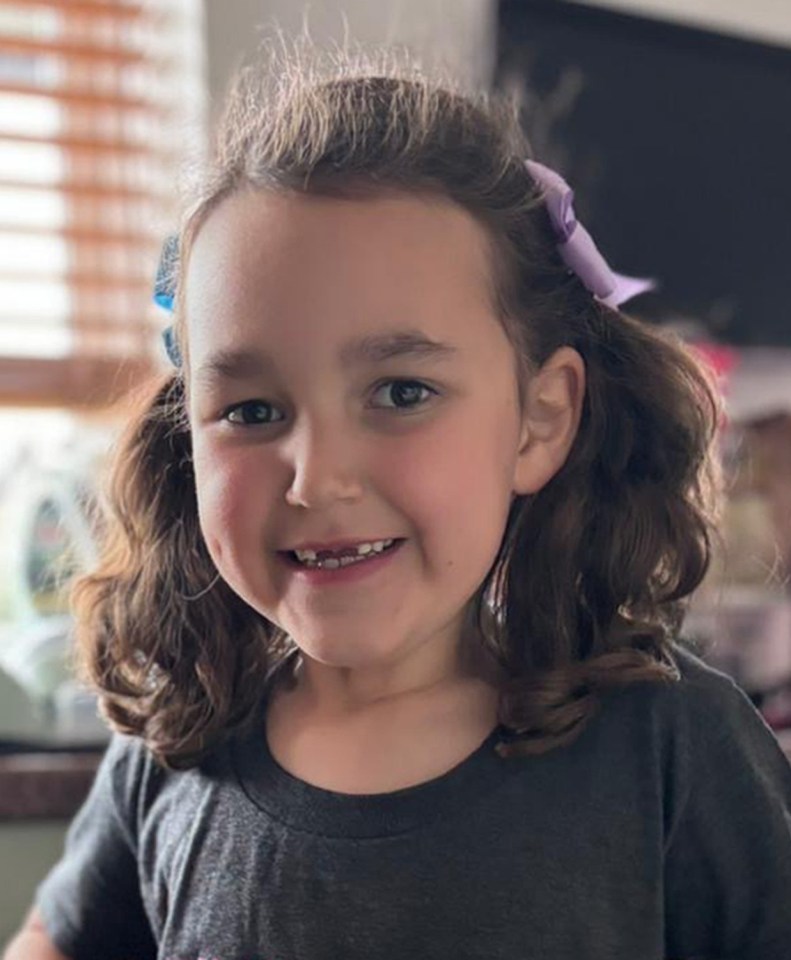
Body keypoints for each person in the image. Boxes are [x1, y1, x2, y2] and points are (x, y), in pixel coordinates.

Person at [5, 43, 791, 960]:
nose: (316, 477)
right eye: (251, 411)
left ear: (538, 421)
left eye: (401, 392)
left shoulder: (668, 747)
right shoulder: (179, 738)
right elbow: (54, 936)